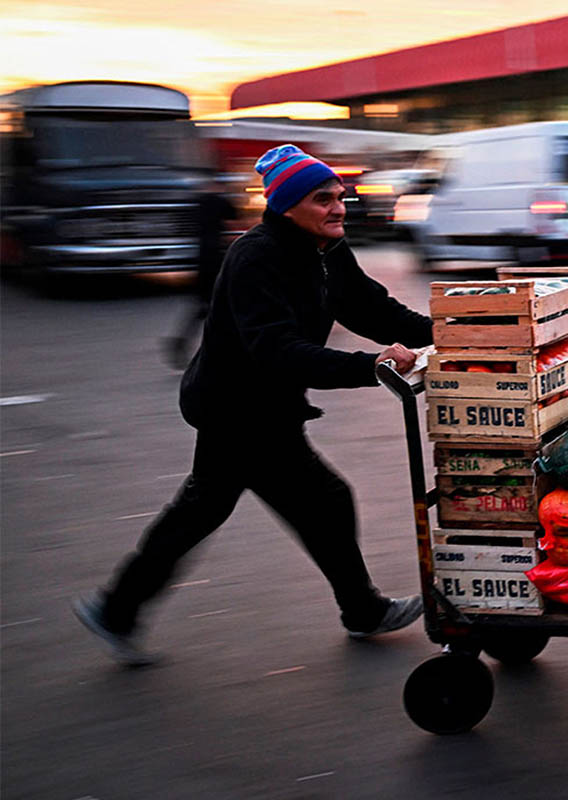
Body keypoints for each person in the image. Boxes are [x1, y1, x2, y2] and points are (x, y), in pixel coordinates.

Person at [74, 144, 433, 666]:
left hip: (265, 408)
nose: (338, 208)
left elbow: (372, 309)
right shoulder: (256, 256)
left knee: (217, 508)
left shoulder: (326, 249)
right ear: (287, 206)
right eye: (322, 199)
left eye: (339, 197)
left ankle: (116, 609)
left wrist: (453, 329)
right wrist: (371, 367)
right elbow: (277, 350)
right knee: (312, 500)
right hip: (237, 409)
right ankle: (361, 611)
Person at [162, 175, 239, 370]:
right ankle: (214, 354)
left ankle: (182, 342)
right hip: (216, 258)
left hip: (201, 258)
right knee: (222, 307)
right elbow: (233, 223)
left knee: (203, 307)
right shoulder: (221, 201)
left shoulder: (196, 202)